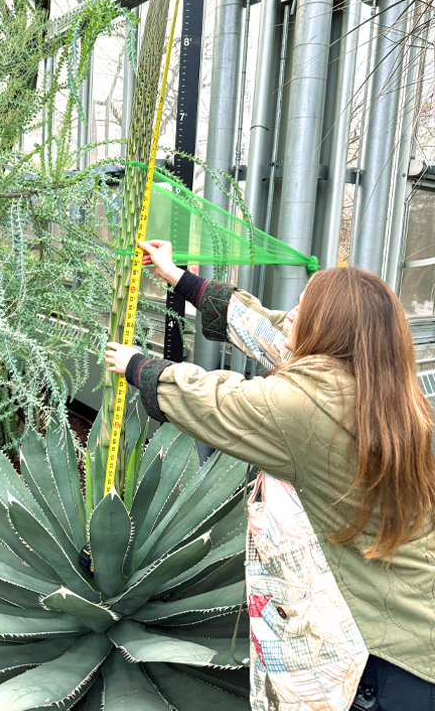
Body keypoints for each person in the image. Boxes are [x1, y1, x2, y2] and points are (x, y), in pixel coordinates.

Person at [105, 240, 435, 711]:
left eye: (302, 309)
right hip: (417, 628)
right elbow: (272, 332)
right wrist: (180, 278)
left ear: (327, 332)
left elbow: (221, 402)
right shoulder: (383, 389)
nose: (291, 316)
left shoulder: (302, 408)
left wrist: (141, 367)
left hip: (373, 659)